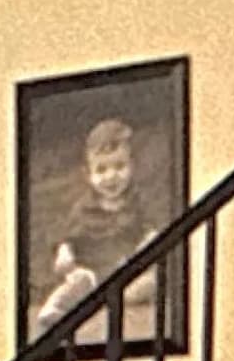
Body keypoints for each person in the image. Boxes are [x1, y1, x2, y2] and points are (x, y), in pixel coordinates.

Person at [27, 113, 165, 340]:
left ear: (133, 166)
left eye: (119, 166)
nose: (111, 177)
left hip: (124, 270)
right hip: (91, 271)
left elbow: (150, 227)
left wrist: (149, 239)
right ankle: (54, 309)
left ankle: (115, 298)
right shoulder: (84, 208)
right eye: (101, 170)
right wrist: (64, 251)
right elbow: (65, 235)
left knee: (151, 281)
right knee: (77, 282)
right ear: (88, 174)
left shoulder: (138, 203)